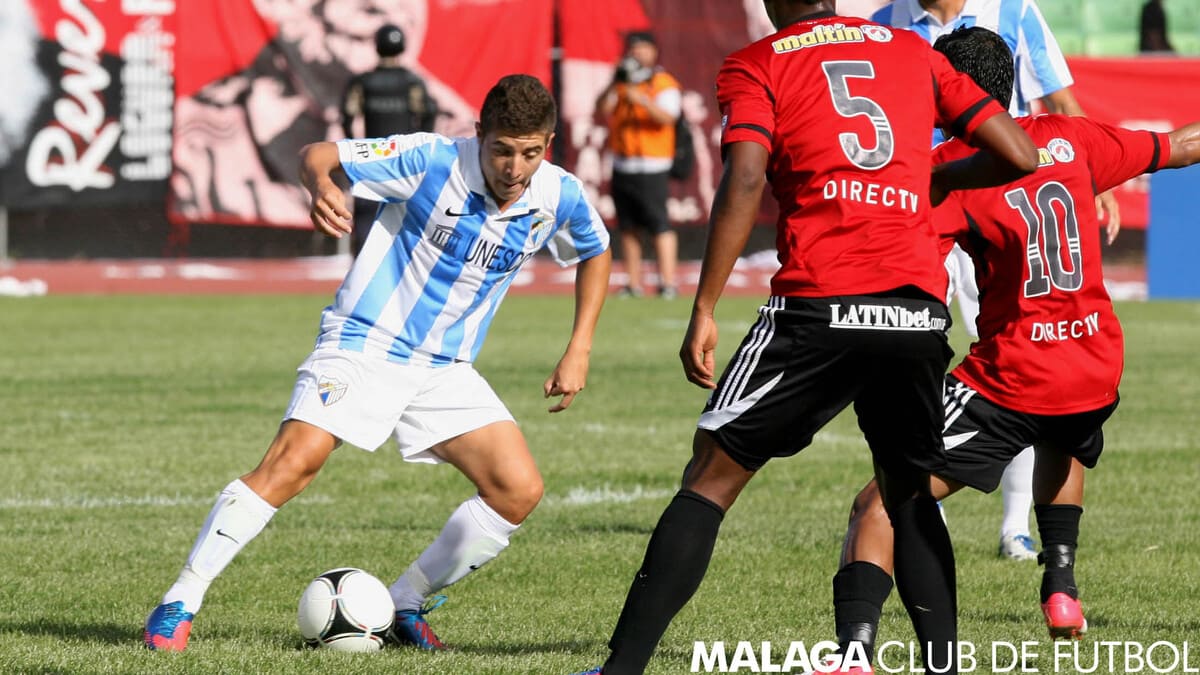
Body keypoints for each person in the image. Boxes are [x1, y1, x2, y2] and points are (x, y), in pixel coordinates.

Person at [573, 3, 1038, 674]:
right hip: (913, 308)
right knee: (907, 493)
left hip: (819, 302)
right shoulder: (913, 52)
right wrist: (930, 178)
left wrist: (704, 305)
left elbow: (745, 175)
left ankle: (621, 670)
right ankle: (944, 665)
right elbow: (1017, 153)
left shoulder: (758, 61)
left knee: (711, 475)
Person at [143, 74, 612, 652]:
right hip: (365, 340)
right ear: (478, 136)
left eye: (531, 153)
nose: (515, 168)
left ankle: (403, 604)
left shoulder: (558, 193)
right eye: (501, 150)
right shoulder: (430, 159)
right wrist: (322, 186)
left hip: (444, 368)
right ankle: (179, 601)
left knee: (517, 490)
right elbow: (318, 155)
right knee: (294, 463)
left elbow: (594, 249)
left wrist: (580, 346)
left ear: (549, 143)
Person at [826, 26, 1200, 668]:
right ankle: (1060, 584)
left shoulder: (947, 172)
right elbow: (1179, 146)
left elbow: (903, 269)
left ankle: (853, 652)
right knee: (1065, 433)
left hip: (1016, 374)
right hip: (1095, 361)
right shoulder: (1070, 137)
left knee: (880, 502)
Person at [871, 0, 1119, 562]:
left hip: (998, 202)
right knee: (915, 348)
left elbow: (1056, 96)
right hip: (927, 197)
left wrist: (1098, 174)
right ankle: (929, 491)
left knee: (1013, 362)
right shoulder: (885, 22)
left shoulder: (1014, 10)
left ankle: (1014, 527)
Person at [594, 30, 682, 299]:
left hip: (652, 164)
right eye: (634, 49)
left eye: (643, 48)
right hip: (623, 163)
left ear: (654, 51)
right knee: (628, 226)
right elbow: (603, 108)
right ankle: (633, 283)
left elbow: (669, 117)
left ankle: (667, 282)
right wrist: (615, 82)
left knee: (659, 224)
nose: (638, 53)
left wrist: (641, 99)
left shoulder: (663, 82)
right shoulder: (622, 82)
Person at [340, 23, 439, 255]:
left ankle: (362, 271)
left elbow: (347, 116)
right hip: (404, 161)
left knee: (366, 220)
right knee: (408, 220)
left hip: (371, 159)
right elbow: (428, 114)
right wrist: (418, 148)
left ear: (377, 47)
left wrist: (356, 149)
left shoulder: (363, 82)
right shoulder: (411, 82)